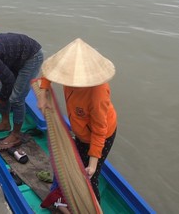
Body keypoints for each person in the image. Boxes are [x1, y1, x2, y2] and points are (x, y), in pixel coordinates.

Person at [37, 38, 118, 203]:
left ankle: (92, 207)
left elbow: (99, 130)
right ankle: (66, 192)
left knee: (90, 177)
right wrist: (44, 93)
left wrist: (93, 164)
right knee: (75, 163)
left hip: (100, 134)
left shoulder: (97, 94)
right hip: (80, 129)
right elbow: (49, 70)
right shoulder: (67, 74)